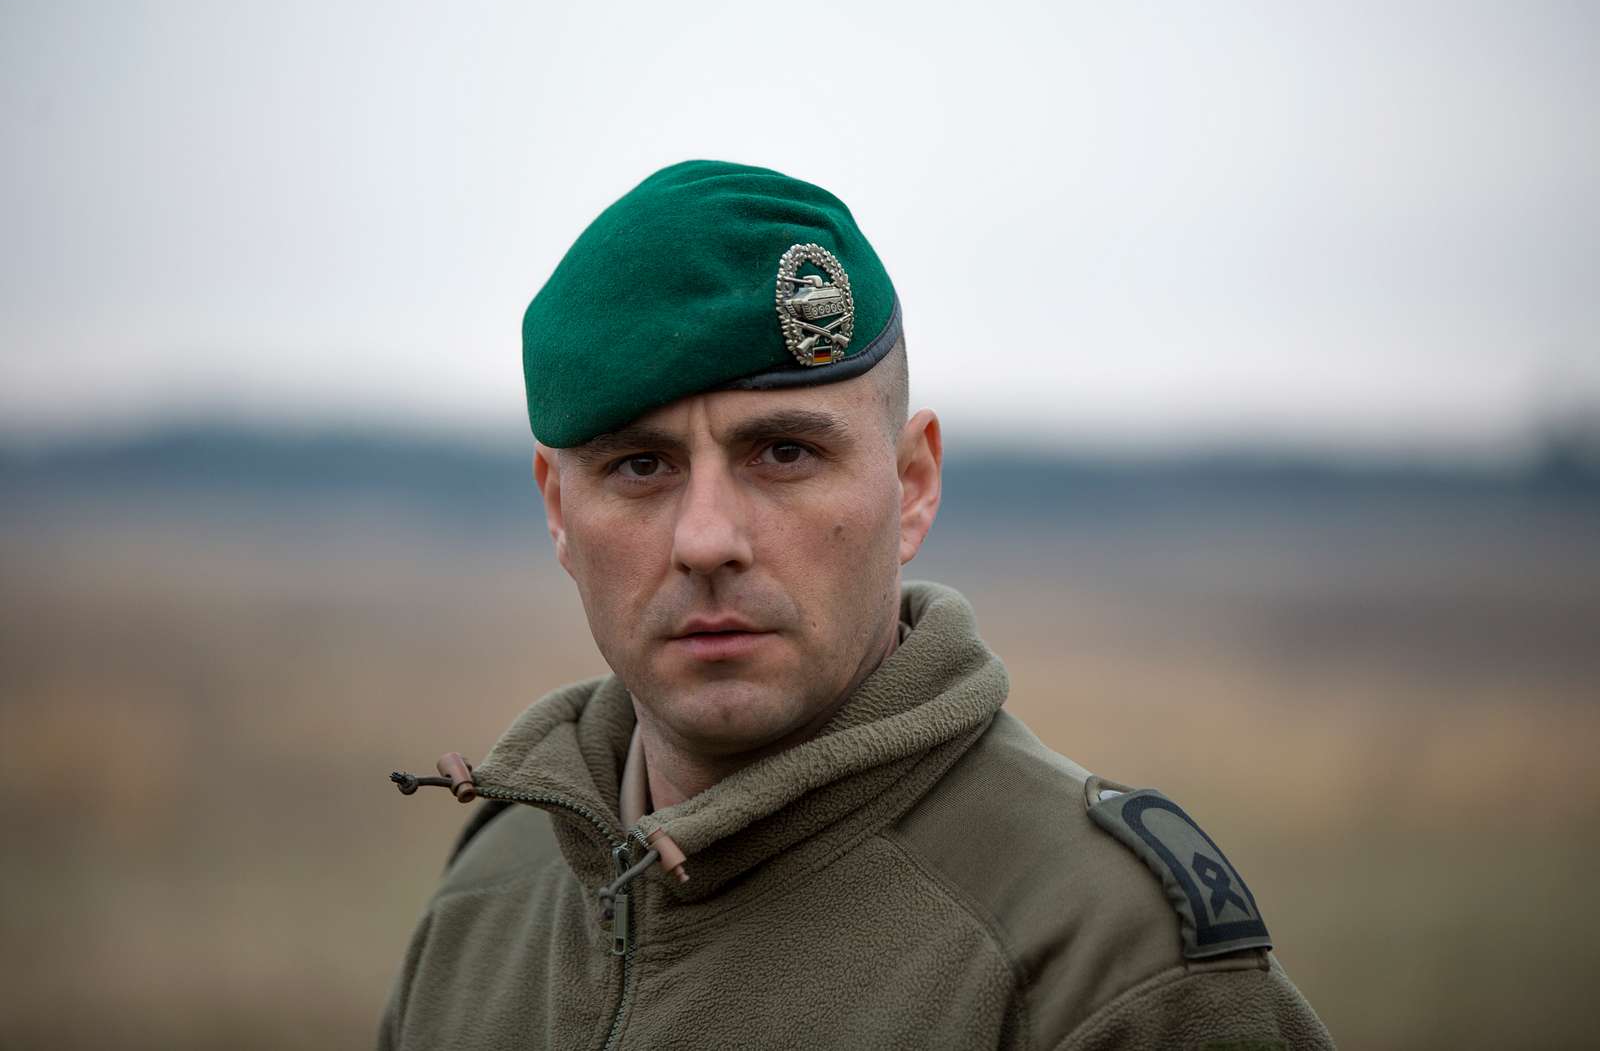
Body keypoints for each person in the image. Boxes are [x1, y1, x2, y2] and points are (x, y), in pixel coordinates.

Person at [381, 160, 1334, 1050]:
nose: (707, 538)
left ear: (912, 484)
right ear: (557, 509)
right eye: (640, 465)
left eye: (784, 452)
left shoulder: (1097, 951)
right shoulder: (494, 891)